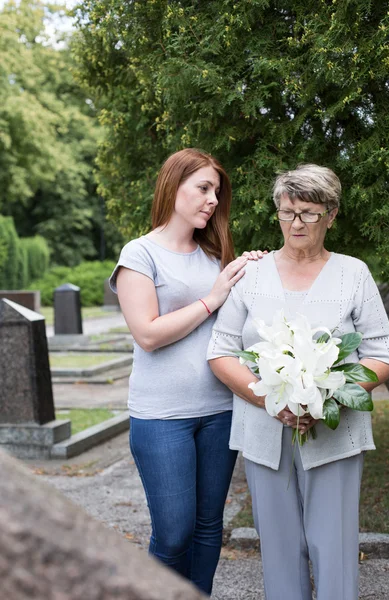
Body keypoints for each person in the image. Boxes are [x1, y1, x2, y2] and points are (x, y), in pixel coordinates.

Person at [207, 163, 389, 600]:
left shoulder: (354, 273)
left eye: (309, 213)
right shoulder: (250, 275)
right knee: (277, 550)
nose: (296, 223)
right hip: (262, 432)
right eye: (287, 211)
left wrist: (325, 397)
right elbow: (219, 350)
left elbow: (383, 353)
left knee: (333, 549)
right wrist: (271, 402)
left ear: (331, 215)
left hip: (334, 431)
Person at [109, 148, 264, 596]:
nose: (212, 199)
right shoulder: (139, 254)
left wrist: (253, 272)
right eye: (203, 188)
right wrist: (212, 298)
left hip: (219, 410)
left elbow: (239, 325)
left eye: (216, 191)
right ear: (173, 186)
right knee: (174, 533)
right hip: (161, 417)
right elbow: (149, 334)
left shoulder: (216, 254)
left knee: (207, 529)